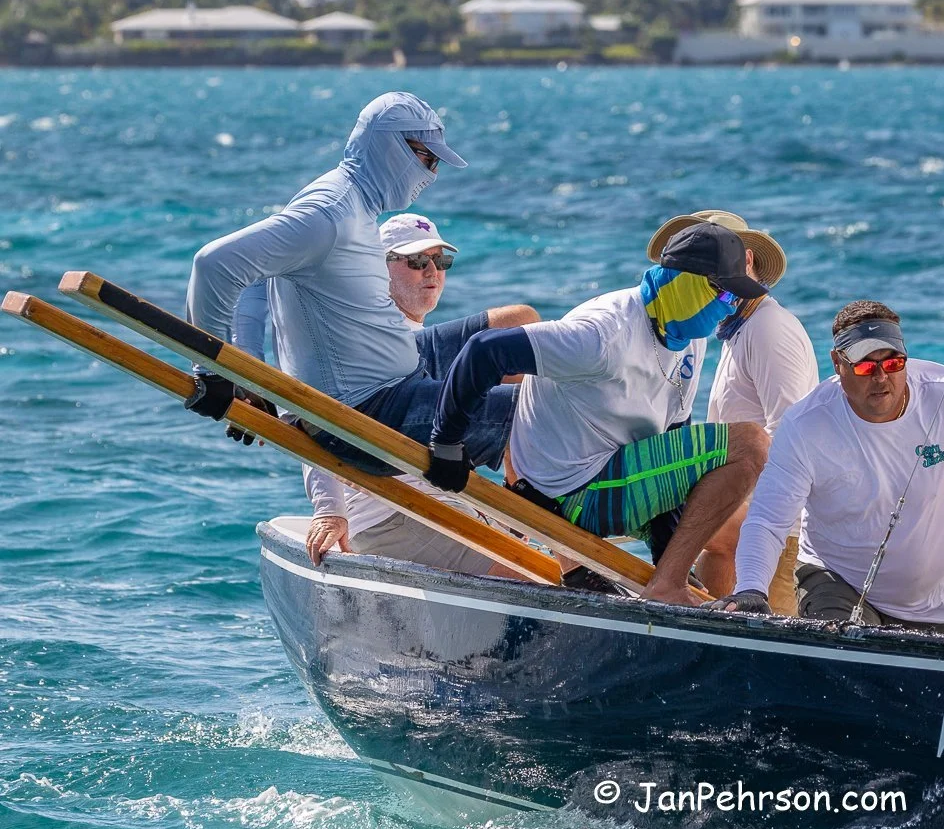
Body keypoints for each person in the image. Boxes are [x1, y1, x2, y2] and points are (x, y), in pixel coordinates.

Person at [425, 223, 772, 604]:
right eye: (724, 293)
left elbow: (670, 445)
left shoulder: (689, 342)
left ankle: (672, 581)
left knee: (732, 526)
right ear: (686, 283)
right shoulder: (602, 335)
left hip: (609, 473)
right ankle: (665, 586)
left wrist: (667, 556)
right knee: (751, 444)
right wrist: (446, 443)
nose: (731, 305)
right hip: (566, 490)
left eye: (736, 298)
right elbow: (483, 350)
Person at [182, 92, 518, 483]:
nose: (433, 173)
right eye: (427, 158)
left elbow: (259, 275)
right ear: (390, 149)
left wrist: (248, 369)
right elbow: (214, 264)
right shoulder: (329, 212)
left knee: (513, 334)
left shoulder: (353, 201)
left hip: (399, 380)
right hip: (371, 413)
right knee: (548, 411)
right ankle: (560, 521)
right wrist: (215, 373)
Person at [719, 300, 944, 636]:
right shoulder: (806, 424)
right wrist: (751, 589)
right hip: (837, 581)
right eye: (864, 365)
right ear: (837, 363)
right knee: (851, 654)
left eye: (892, 363)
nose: (880, 377)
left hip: (941, 605)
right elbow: (768, 520)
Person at [235, 214, 536, 573]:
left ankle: (525, 499)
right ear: (377, 268)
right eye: (416, 261)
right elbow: (313, 417)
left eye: (441, 262)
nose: (432, 272)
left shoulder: (413, 338)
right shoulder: (351, 333)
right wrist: (329, 509)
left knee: (521, 326)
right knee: (525, 580)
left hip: (447, 499)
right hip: (389, 515)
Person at [646, 210, 818, 614]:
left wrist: (723, 519)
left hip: (772, 540)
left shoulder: (769, 329)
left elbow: (794, 435)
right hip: (743, 534)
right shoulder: (735, 328)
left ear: (746, 263)